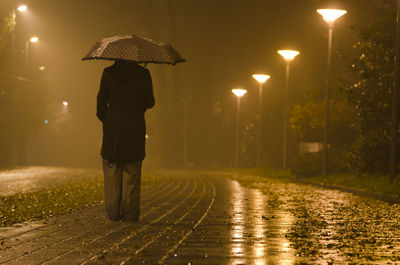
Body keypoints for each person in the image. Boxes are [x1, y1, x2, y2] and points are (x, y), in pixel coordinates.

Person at [96, 60, 155, 222]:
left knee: (112, 169)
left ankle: (113, 213)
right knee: (132, 170)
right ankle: (130, 213)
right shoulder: (143, 74)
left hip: (113, 128)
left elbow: (101, 103)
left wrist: (109, 120)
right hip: (134, 126)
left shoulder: (108, 73)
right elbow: (150, 102)